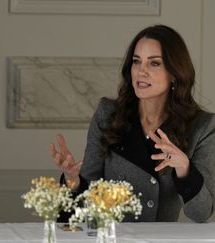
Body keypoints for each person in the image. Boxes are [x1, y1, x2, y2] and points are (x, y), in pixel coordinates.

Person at [50, 24, 215, 223]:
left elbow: (202, 213)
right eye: (137, 62)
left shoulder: (201, 126)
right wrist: (72, 180)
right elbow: (86, 199)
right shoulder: (108, 114)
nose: (141, 71)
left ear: (174, 73)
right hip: (109, 241)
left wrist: (184, 168)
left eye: (154, 63)